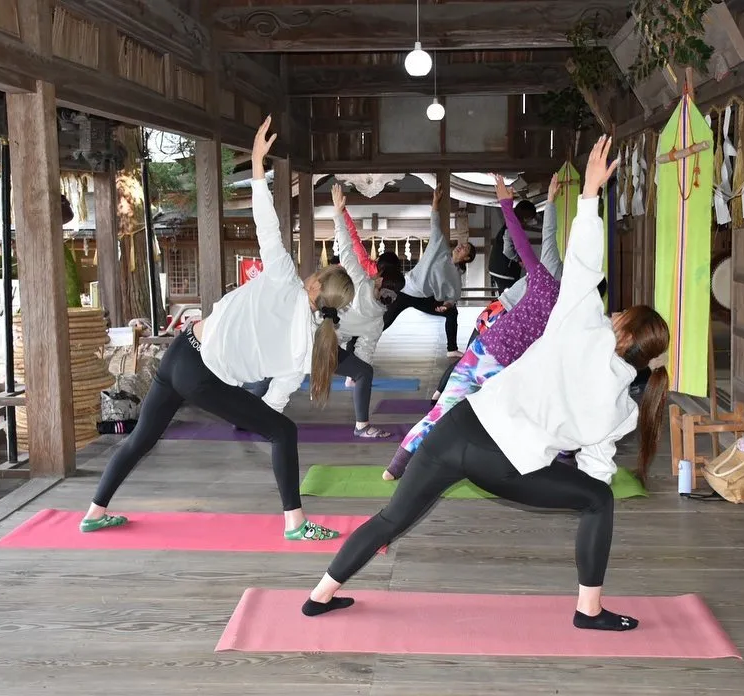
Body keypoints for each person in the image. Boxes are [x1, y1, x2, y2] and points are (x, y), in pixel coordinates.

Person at [302, 136, 670, 633]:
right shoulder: (626, 407)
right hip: (504, 465)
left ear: (624, 330)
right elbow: (596, 467)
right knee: (599, 499)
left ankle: (320, 595)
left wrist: (589, 198)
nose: (614, 311)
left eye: (621, 313)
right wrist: (587, 499)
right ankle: (589, 611)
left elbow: (583, 265)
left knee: (392, 517)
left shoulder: (582, 324)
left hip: (458, 427)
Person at [79, 116, 356, 541]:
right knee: (283, 432)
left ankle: (95, 511)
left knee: (141, 439)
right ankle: (295, 524)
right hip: (204, 378)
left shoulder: (283, 275)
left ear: (316, 283)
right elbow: (277, 400)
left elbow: (266, 223)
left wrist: (259, 166)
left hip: (180, 354)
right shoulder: (308, 347)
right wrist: (259, 420)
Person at [383, 173, 562, 480]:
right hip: (504, 367)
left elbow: (531, 240)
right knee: (507, 417)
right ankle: (515, 465)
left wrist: (513, 203)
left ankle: (397, 464)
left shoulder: (545, 281)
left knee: (444, 411)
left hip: (484, 350)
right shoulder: (565, 314)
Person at [246, 184, 404, 438]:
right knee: (280, 375)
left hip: (311, 340)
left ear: (378, 279)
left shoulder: (360, 283)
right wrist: (352, 373)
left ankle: (244, 412)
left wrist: (338, 213)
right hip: (321, 346)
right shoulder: (374, 318)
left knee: (275, 373)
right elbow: (363, 359)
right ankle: (361, 426)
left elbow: (346, 247)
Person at [430, 172, 567, 401]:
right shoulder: (564, 289)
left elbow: (548, 234)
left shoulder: (553, 267)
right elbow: (546, 234)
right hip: (505, 314)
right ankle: (441, 394)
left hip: (500, 311)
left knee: (472, 359)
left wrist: (551, 200)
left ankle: (439, 394)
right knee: (476, 362)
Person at [382, 188, 476, 357]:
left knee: (452, 313)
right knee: (384, 322)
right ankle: (358, 345)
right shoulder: (440, 247)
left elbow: (452, 298)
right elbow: (435, 224)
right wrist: (435, 202)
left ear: (466, 258)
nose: (462, 246)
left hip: (424, 298)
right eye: (463, 244)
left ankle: (452, 349)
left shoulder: (455, 276)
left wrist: (445, 306)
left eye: (466, 249)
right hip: (406, 289)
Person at [488, 197, 536, 294]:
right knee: (509, 301)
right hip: (504, 272)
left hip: (499, 270)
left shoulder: (510, 224)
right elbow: (507, 250)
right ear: (526, 217)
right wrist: (518, 260)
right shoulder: (510, 228)